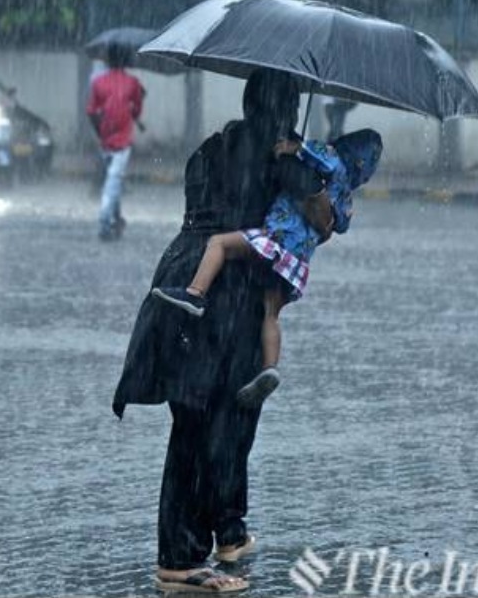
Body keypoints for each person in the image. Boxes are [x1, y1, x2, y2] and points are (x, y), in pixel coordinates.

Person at [113, 69, 334, 593]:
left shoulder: (212, 147)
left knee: (201, 415)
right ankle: (184, 558)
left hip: (183, 275)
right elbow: (324, 222)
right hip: (229, 296)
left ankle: (217, 535)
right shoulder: (282, 158)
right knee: (217, 419)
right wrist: (310, 171)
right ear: (287, 107)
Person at [151, 129, 383, 407]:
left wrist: (292, 146)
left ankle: (195, 293)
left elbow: (315, 153)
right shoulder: (346, 197)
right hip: (296, 263)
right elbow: (339, 226)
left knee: (220, 244)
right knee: (270, 313)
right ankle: (269, 367)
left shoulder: (330, 159)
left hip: (276, 238)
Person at [86, 44, 144, 241]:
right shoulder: (132, 83)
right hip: (123, 139)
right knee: (113, 180)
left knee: (113, 178)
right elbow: (136, 109)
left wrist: (100, 132)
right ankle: (105, 221)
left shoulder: (98, 82)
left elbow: (91, 111)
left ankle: (116, 218)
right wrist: (135, 108)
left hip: (105, 138)